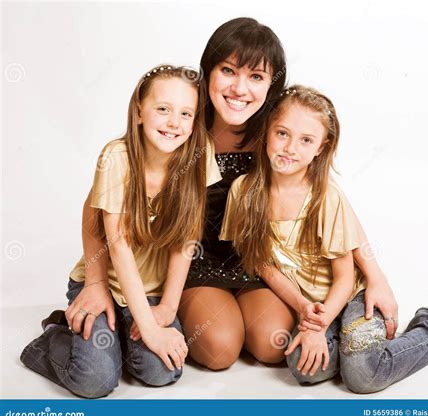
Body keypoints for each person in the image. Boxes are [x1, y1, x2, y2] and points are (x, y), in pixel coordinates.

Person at [78, 18, 400, 372]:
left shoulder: (276, 130)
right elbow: (101, 206)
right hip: (191, 262)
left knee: (272, 344)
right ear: (208, 73)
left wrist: (376, 276)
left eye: (256, 77)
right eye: (228, 71)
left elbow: (326, 197)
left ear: (271, 85)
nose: (239, 88)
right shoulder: (182, 122)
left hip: (260, 263)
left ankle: (352, 335)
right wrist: (95, 281)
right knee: (220, 349)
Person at [220, 85, 428, 393]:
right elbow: (262, 264)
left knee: (364, 377)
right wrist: (305, 309)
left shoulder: (325, 198)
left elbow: (345, 279)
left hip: (348, 297)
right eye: (282, 134)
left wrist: (317, 325)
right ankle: (354, 347)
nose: (290, 147)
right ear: (266, 132)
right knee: (301, 367)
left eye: (306, 140)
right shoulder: (243, 191)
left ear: (321, 147)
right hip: (315, 308)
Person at [20, 64, 221, 398]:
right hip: (109, 287)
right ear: (139, 111)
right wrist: (149, 330)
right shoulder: (117, 157)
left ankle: (118, 341)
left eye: (186, 113)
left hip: (152, 291)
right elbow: (118, 243)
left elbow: (186, 239)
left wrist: (168, 308)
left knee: (161, 372)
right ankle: (52, 338)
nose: (174, 122)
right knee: (95, 382)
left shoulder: (199, 157)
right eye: (163, 109)